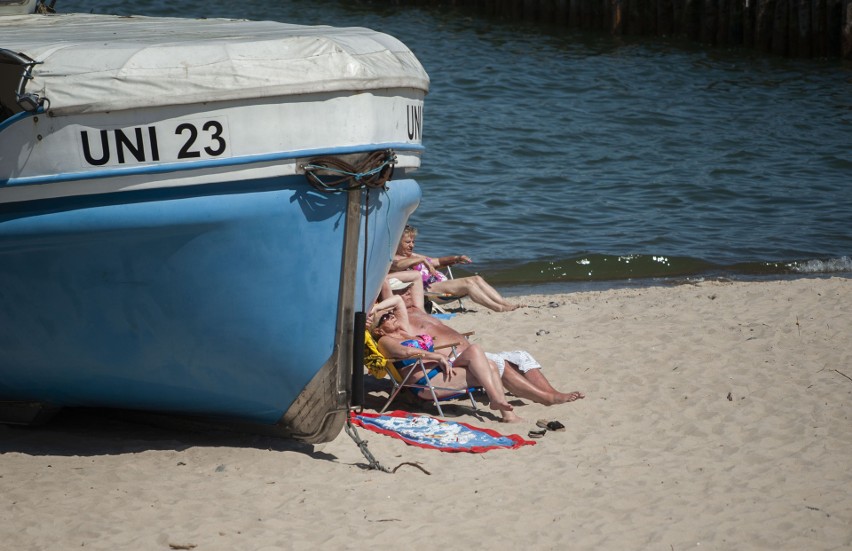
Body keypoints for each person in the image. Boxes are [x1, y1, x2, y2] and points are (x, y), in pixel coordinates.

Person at [387, 278, 584, 406]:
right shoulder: (401, 320)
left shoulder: (419, 309)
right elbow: (384, 287)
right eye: (402, 291)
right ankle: (545, 398)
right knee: (500, 364)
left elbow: (414, 277)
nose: (408, 292)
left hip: (468, 354)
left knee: (521, 356)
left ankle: (550, 391)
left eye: (407, 290)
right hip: (454, 358)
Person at [369, 297, 521, 423]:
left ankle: (502, 408)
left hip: (441, 371)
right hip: (427, 383)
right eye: (385, 317)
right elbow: (405, 351)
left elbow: (398, 300)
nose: (391, 316)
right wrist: (436, 356)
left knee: (480, 355)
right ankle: (501, 407)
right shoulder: (385, 340)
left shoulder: (404, 330)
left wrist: (376, 309)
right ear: (378, 330)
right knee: (488, 363)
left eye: (390, 313)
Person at [391, 225, 521, 312]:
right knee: (468, 284)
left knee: (477, 278)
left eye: (413, 241)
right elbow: (398, 266)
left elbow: (437, 261)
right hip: (428, 292)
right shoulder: (394, 258)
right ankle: (498, 308)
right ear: (397, 242)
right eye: (408, 242)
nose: (412, 245)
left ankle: (504, 303)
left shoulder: (414, 255)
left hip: (439, 284)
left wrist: (457, 258)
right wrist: (421, 260)